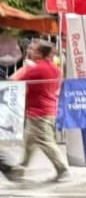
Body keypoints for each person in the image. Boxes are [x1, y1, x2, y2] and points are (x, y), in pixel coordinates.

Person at [4, 40, 67, 181]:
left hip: (39, 112)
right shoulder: (54, 68)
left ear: (39, 53)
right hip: (47, 109)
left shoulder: (36, 68)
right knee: (29, 142)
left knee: (45, 142)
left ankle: (63, 170)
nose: (29, 51)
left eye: (32, 49)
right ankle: (21, 168)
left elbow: (12, 81)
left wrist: (25, 68)